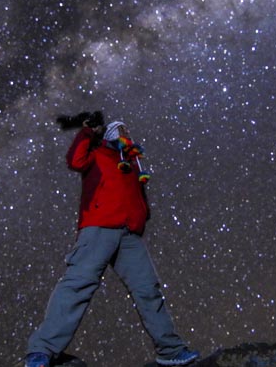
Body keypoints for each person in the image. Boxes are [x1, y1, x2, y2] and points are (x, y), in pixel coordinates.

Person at [25, 117, 199, 367]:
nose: (126, 132)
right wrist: (88, 132)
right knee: (77, 286)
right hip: (99, 228)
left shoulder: (132, 163)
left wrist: (143, 216)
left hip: (129, 234)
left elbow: (137, 194)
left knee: (148, 291)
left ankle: (170, 350)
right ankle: (41, 351)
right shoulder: (96, 155)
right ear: (108, 135)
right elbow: (74, 160)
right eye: (119, 129)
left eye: (127, 129)